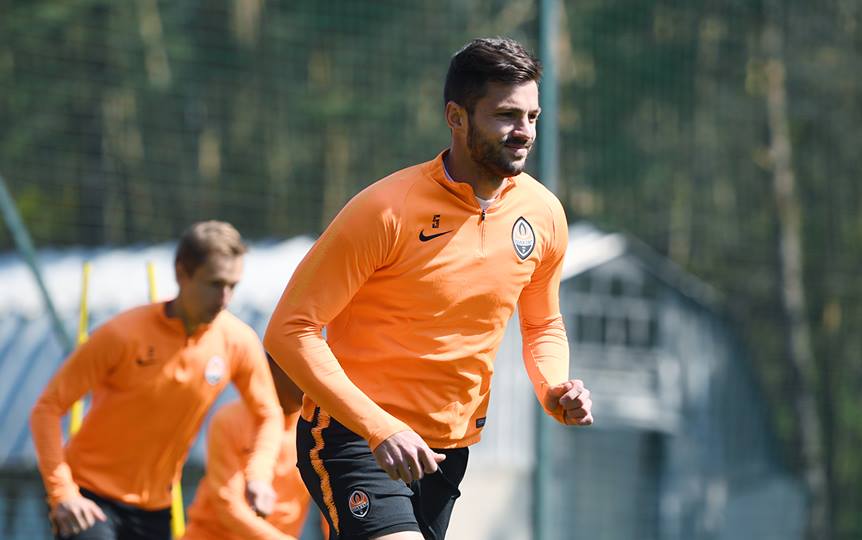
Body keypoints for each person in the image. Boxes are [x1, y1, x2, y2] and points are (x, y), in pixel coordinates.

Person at [264, 37, 593, 540]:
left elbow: (543, 323)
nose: (524, 132)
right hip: (355, 436)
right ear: (456, 117)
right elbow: (290, 330)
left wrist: (554, 387)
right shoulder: (385, 210)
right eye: (506, 116)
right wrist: (379, 427)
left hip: (445, 450)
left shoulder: (543, 214)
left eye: (532, 116)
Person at [31, 221, 284, 540]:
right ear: (181, 273)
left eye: (233, 286)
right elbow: (47, 408)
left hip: (156, 508)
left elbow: (269, 413)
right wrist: (63, 493)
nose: (225, 298)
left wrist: (258, 475)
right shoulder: (121, 335)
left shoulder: (237, 341)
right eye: (215, 284)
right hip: (89, 498)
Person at [182, 355, 326, 540]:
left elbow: (332, 505)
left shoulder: (318, 430)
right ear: (271, 368)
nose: (310, 379)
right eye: (300, 369)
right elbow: (228, 504)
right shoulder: (229, 420)